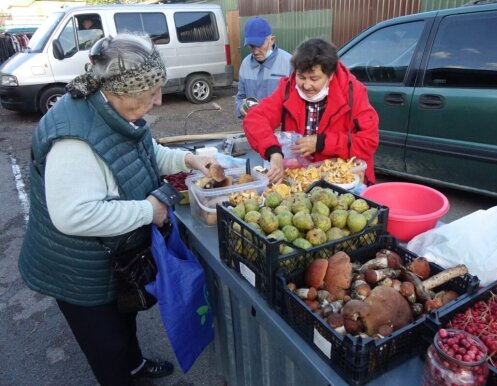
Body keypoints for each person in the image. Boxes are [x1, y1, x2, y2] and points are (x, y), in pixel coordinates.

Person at [18, 33, 215, 386]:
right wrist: (148, 211)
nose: (157, 100)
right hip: (78, 270)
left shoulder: (112, 109)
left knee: (124, 319)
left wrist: (188, 158)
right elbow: (73, 214)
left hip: (110, 257)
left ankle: (136, 365)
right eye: (151, 92)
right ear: (121, 90)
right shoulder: (73, 140)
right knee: (106, 346)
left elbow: (145, 150)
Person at [242, 37, 379, 184]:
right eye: (301, 77)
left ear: (330, 75)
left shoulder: (354, 93)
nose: (306, 86)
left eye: (314, 79)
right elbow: (255, 119)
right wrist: (273, 152)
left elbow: (368, 142)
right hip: (301, 180)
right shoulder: (289, 88)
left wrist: (321, 143)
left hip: (345, 181)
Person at [234, 16, 292, 118]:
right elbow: (240, 97)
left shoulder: (289, 63)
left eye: (260, 45)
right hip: (254, 126)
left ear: (272, 40)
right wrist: (241, 108)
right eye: (251, 46)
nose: (255, 51)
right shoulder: (245, 64)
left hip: (280, 129)